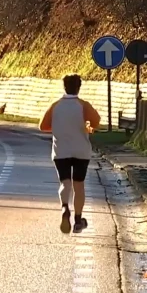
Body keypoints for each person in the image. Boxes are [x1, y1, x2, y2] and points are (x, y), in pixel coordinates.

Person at [38, 74, 101, 233]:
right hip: (81, 150)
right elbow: (96, 121)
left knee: (65, 183)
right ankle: (78, 220)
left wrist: (60, 127)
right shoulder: (83, 105)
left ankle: (65, 208)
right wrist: (87, 127)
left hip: (61, 151)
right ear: (79, 87)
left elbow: (43, 126)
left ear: (64, 87)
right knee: (78, 185)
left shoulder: (56, 105)